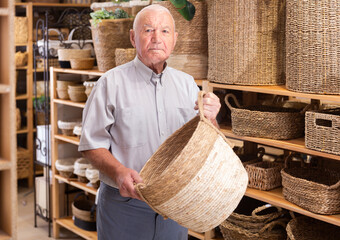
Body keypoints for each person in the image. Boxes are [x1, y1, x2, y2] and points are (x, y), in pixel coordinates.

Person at [79, 4, 221, 240]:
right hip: (124, 206)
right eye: (148, 30)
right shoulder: (110, 83)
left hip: (173, 206)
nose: (157, 38)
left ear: (174, 40)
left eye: (165, 31)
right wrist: (119, 171)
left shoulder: (187, 85)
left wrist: (212, 119)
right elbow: (90, 145)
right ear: (133, 38)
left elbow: (208, 143)